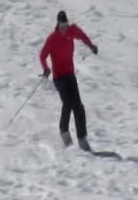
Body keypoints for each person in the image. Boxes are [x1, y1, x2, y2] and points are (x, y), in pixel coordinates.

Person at [39, 10, 98, 151]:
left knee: (78, 106)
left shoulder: (72, 31)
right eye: (61, 25)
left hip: (70, 75)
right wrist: (46, 68)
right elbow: (42, 55)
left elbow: (82, 35)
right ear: (57, 24)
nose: (64, 28)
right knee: (68, 102)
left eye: (66, 24)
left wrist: (91, 45)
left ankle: (82, 138)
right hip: (59, 77)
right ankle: (64, 131)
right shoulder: (52, 38)